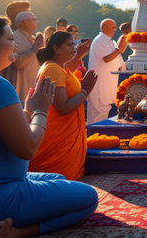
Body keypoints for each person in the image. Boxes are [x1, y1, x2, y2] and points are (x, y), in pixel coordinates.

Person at [0, 16, 98, 236]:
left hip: (7, 181)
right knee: (89, 197)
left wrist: (28, 111)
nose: (14, 45)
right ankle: (18, 232)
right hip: (5, 192)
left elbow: (5, 131)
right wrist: (41, 110)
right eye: (10, 38)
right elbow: (28, 149)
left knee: (58, 179)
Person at [29, 32, 98, 180]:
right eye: (70, 44)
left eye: (75, 43)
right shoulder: (53, 69)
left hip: (64, 138)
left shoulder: (59, 68)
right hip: (57, 140)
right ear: (56, 48)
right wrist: (85, 91)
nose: (75, 47)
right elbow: (62, 107)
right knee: (58, 182)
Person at [86, 19, 127, 124]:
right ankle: (92, 139)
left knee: (105, 117)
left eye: (115, 27)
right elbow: (106, 59)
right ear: (104, 27)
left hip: (108, 86)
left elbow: (119, 63)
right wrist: (119, 49)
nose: (114, 30)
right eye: (112, 27)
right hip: (99, 85)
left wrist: (120, 49)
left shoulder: (111, 41)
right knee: (98, 117)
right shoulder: (100, 40)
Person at [1, 11, 44, 106]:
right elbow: (17, 63)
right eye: (34, 19)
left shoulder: (32, 38)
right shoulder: (14, 38)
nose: (36, 21)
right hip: (20, 87)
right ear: (25, 22)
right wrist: (35, 48)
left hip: (33, 85)